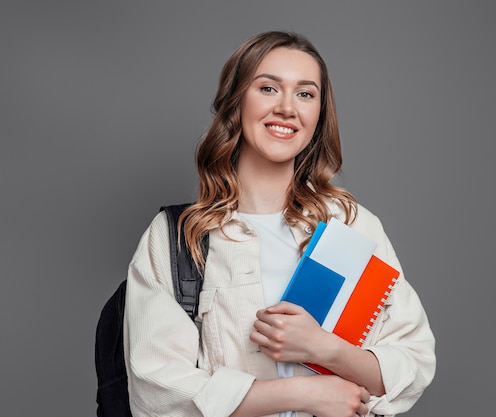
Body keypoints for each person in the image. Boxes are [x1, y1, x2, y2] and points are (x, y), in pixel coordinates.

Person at [123, 31, 436, 417]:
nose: (287, 108)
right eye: (268, 88)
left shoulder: (352, 227)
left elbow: (414, 361)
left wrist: (323, 348)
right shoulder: (178, 237)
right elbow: (155, 391)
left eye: (305, 94)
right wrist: (302, 395)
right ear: (235, 102)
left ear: (319, 114)